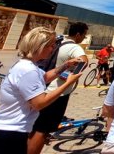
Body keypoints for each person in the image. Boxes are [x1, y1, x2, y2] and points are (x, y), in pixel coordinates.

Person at [0, 27, 82, 154]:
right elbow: (40, 103)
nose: (53, 49)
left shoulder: (27, 65)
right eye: (50, 45)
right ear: (40, 46)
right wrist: (68, 83)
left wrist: (66, 65)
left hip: (8, 132)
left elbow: (44, 78)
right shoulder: (28, 71)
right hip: (9, 135)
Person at [28, 22, 89, 154]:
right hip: (56, 93)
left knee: (34, 127)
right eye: (84, 34)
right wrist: (71, 75)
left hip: (41, 87)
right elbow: (84, 61)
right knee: (42, 130)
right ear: (78, 34)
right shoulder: (74, 47)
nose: (84, 37)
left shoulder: (59, 42)